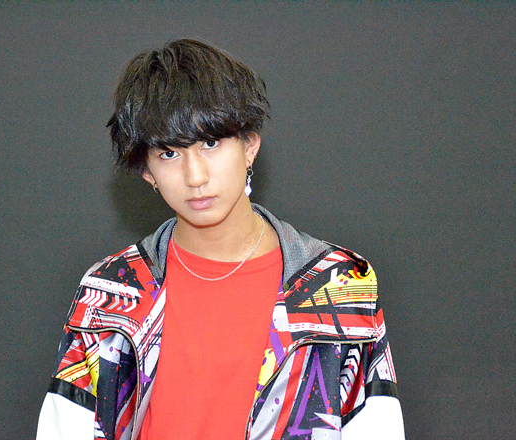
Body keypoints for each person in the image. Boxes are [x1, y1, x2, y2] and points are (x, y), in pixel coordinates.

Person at [36, 38, 405, 440]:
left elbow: (375, 427)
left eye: (210, 143)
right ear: (147, 171)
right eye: (169, 154)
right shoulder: (109, 291)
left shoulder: (340, 284)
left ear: (250, 145)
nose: (195, 177)